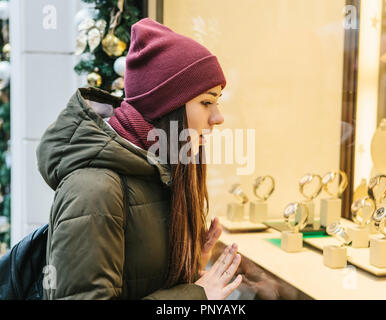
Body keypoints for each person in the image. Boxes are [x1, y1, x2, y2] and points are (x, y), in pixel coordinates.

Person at [37, 17, 242, 300]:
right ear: (164, 107)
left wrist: (192, 265)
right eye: (206, 102)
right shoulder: (94, 189)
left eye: (217, 102)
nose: (218, 117)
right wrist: (195, 295)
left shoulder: (157, 171)